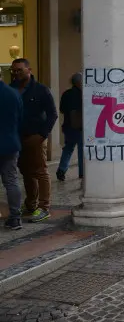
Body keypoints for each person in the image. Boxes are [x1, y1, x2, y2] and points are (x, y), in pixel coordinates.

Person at [10, 58, 57, 223]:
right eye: (14, 70)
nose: (16, 73)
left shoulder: (41, 90)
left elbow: (52, 114)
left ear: (29, 70)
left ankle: (44, 207)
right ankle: (31, 204)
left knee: (40, 171)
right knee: (26, 172)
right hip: (18, 138)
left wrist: (42, 135)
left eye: (19, 70)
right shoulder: (12, 89)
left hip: (35, 137)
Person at [0, 76, 23, 230]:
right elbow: (20, 118)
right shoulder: (14, 93)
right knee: (11, 181)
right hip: (10, 143)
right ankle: (15, 218)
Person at [56, 73, 84, 181]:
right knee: (81, 150)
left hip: (68, 126)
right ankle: (82, 172)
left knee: (68, 148)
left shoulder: (66, 94)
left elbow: (62, 109)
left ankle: (61, 170)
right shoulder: (83, 94)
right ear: (79, 82)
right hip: (80, 127)